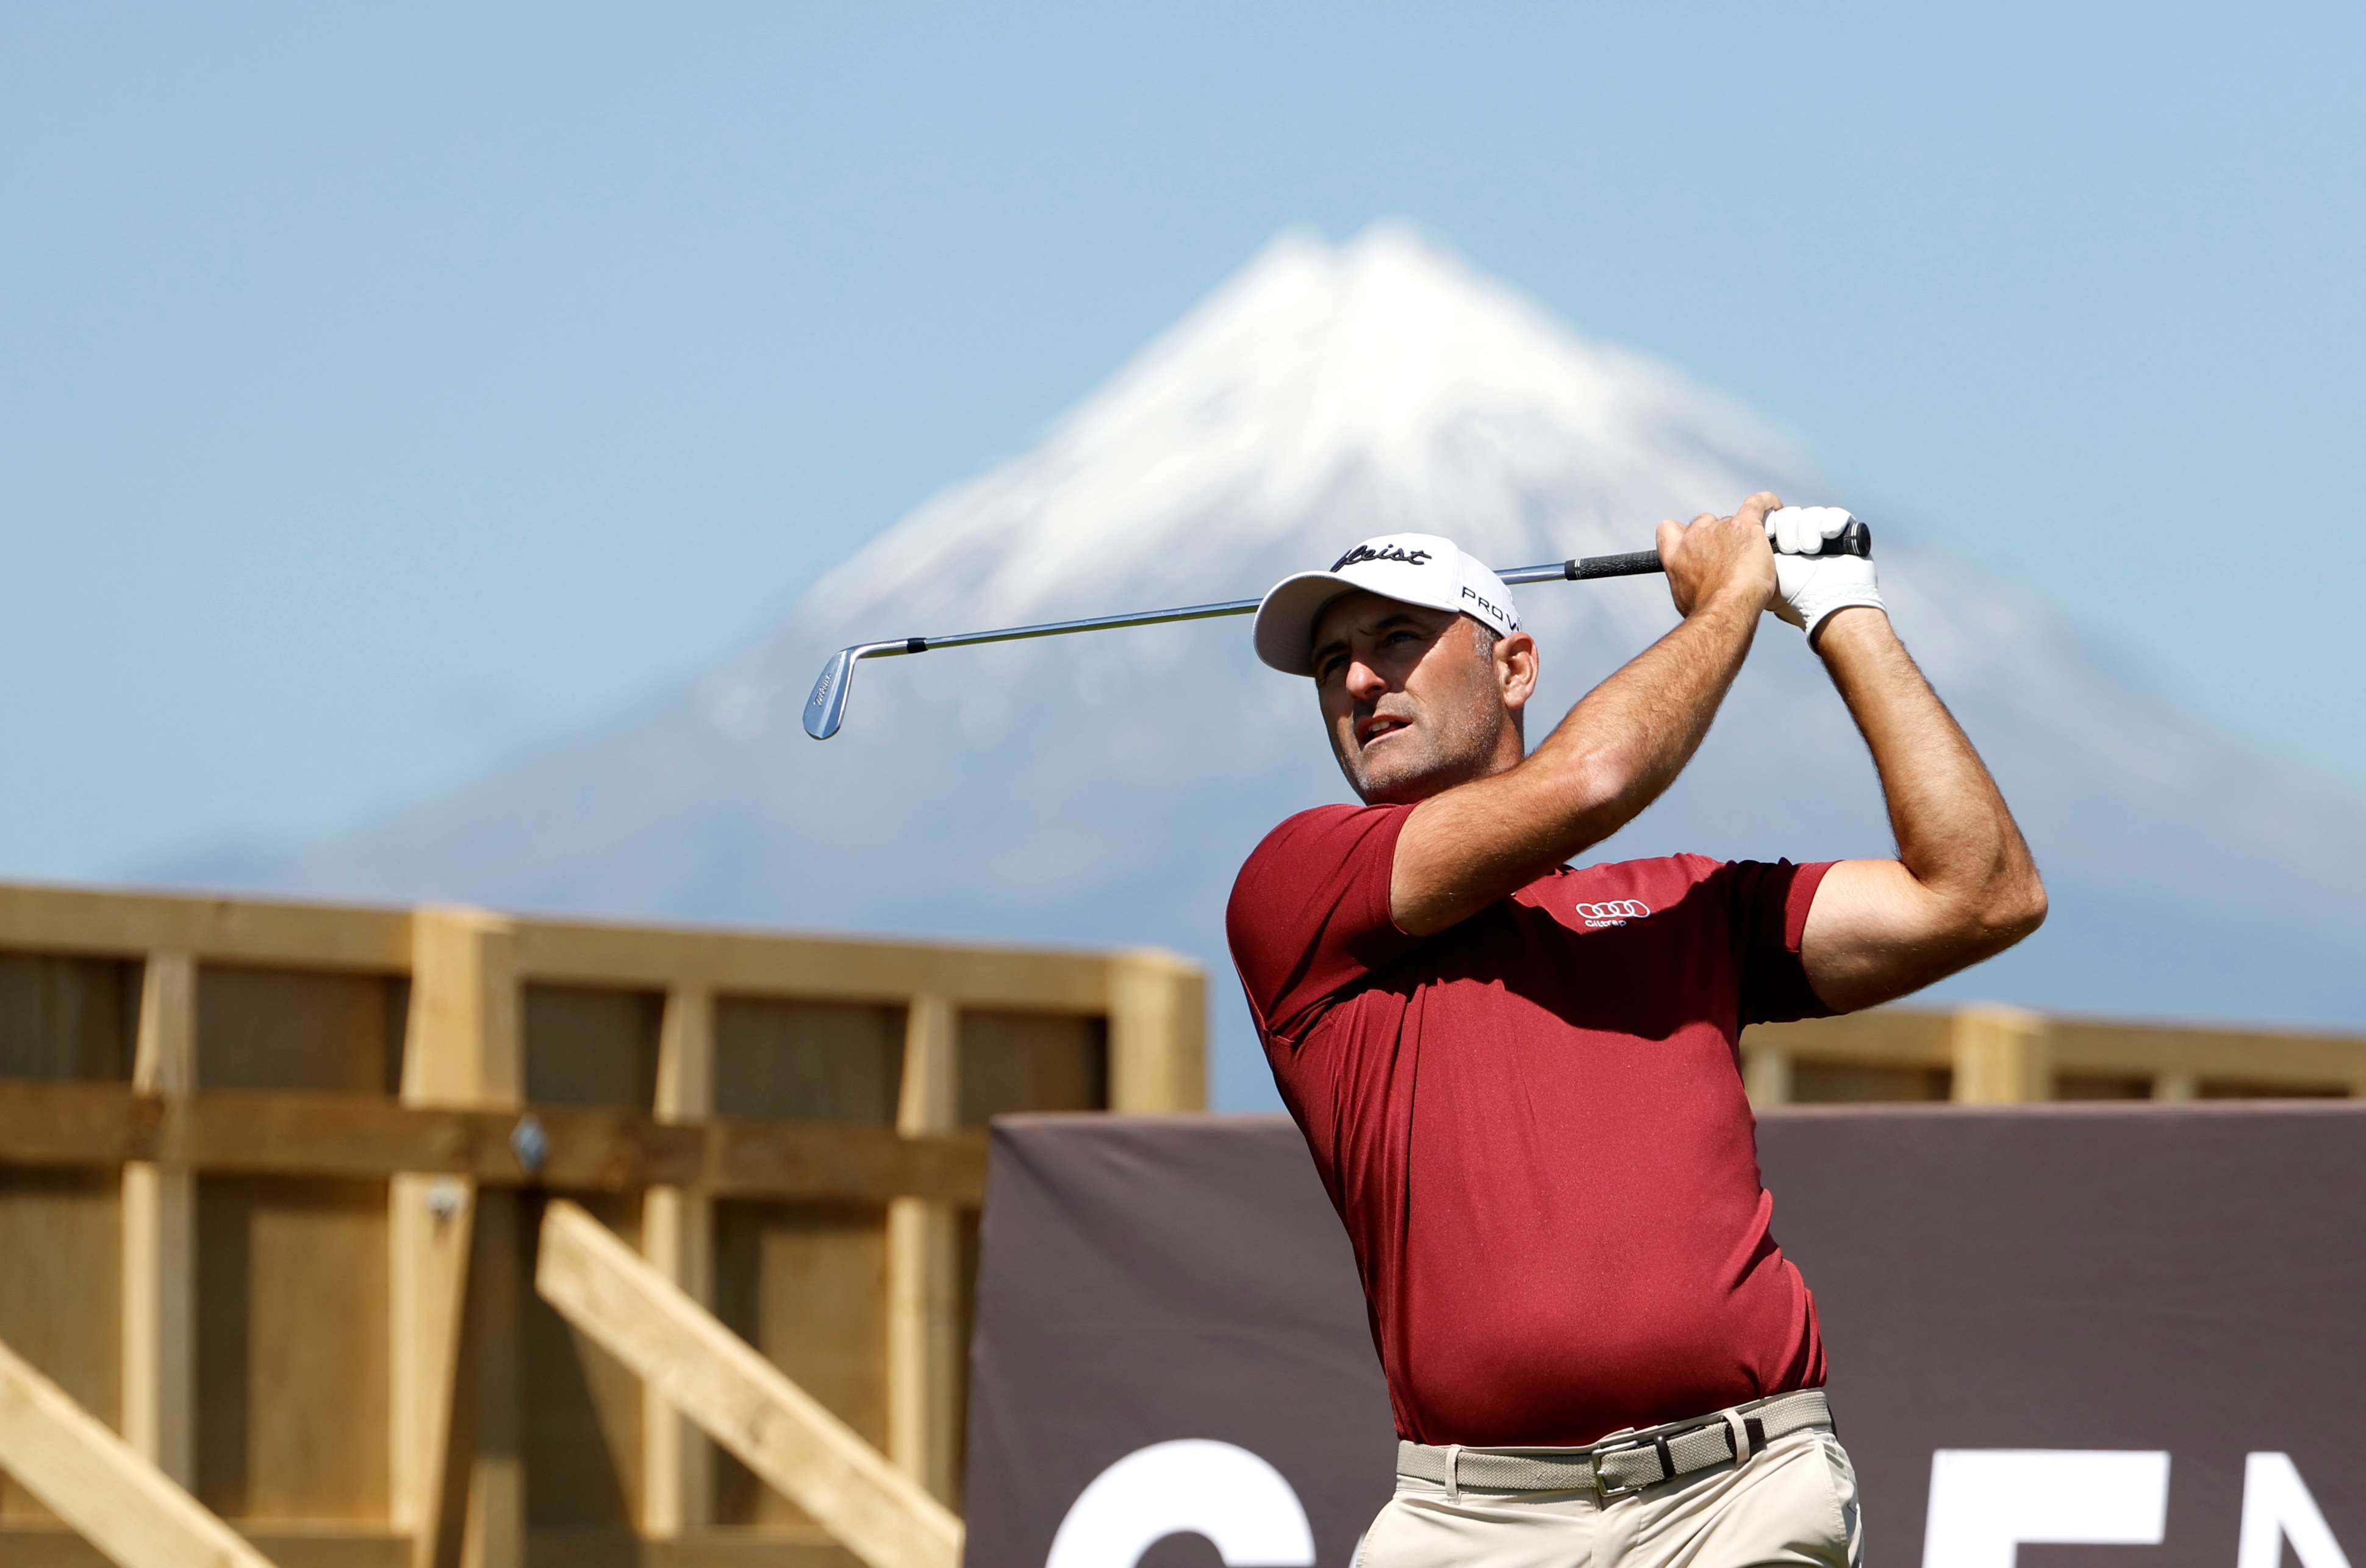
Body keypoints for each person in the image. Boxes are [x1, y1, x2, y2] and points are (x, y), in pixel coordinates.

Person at [1225, 493, 2046, 1568]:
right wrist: (1729, 601)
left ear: (1515, 668)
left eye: (1397, 639)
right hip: (1470, 1524)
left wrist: (1842, 607)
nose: (1361, 681)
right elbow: (1594, 779)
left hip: (1738, 1498)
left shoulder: (1685, 905)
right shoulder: (1299, 887)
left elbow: (1982, 895)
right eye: (1332, 662)